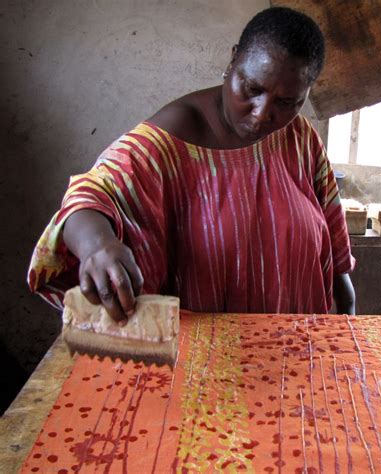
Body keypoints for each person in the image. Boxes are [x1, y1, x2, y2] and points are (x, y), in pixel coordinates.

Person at [28, 6, 356, 324]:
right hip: (204, 366)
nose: (262, 113)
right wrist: (98, 245)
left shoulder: (298, 136)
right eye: (252, 89)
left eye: (287, 102)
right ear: (233, 60)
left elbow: (331, 230)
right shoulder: (168, 143)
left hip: (298, 352)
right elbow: (87, 198)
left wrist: (348, 309)